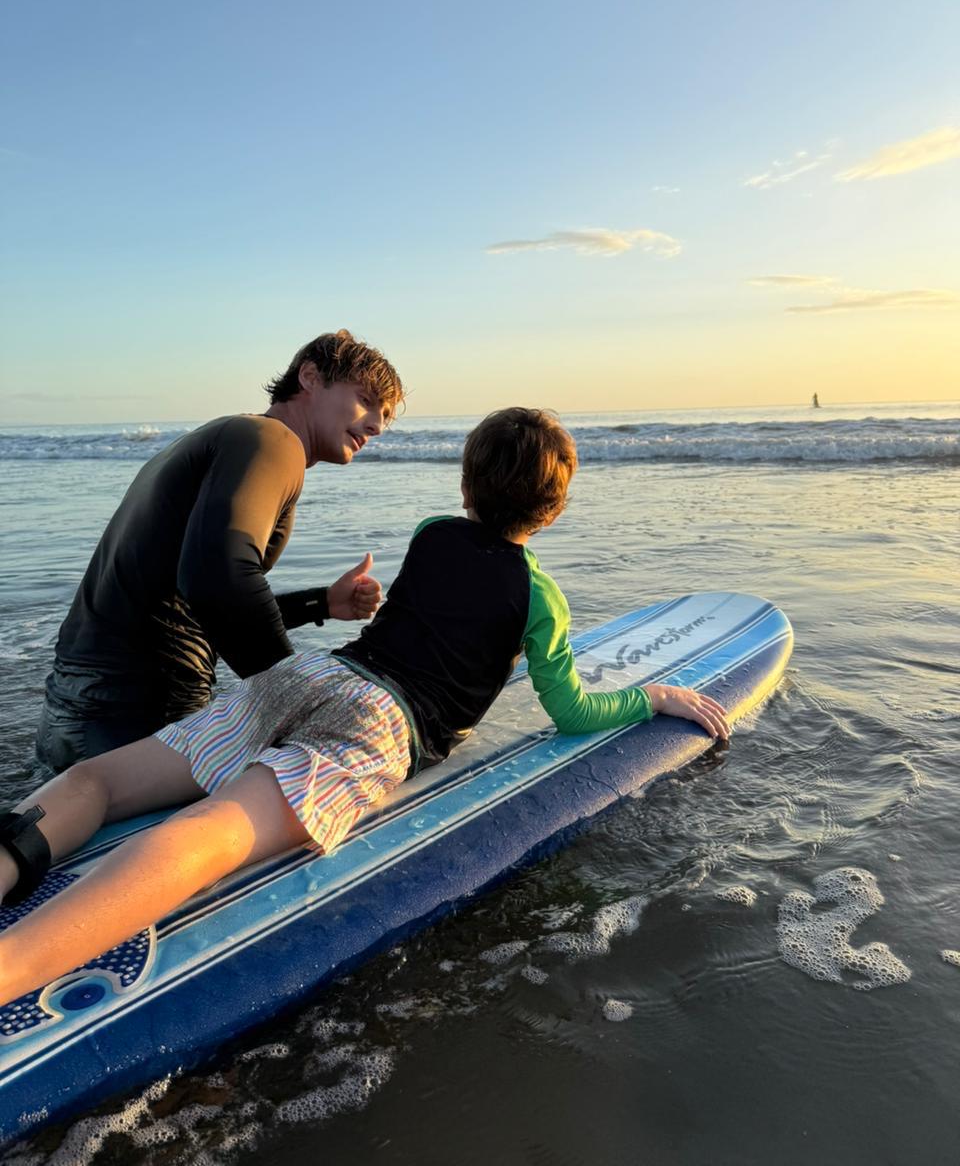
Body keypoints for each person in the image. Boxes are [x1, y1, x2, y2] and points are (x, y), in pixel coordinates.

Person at [0, 407, 729, 1007]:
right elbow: (568, 708)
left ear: (467, 486)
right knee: (208, 832)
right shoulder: (540, 595)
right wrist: (650, 696)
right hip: (380, 724)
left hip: (307, 676)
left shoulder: (431, 534)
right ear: (554, 509)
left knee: (97, 781)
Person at [36, 329, 404, 772]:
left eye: (384, 415)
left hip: (74, 710)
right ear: (310, 377)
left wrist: (320, 603)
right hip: (141, 711)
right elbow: (215, 578)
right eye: (365, 400)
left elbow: (193, 601)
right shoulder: (274, 441)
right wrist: (294, 698)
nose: (376, 426)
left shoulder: (228, 437)